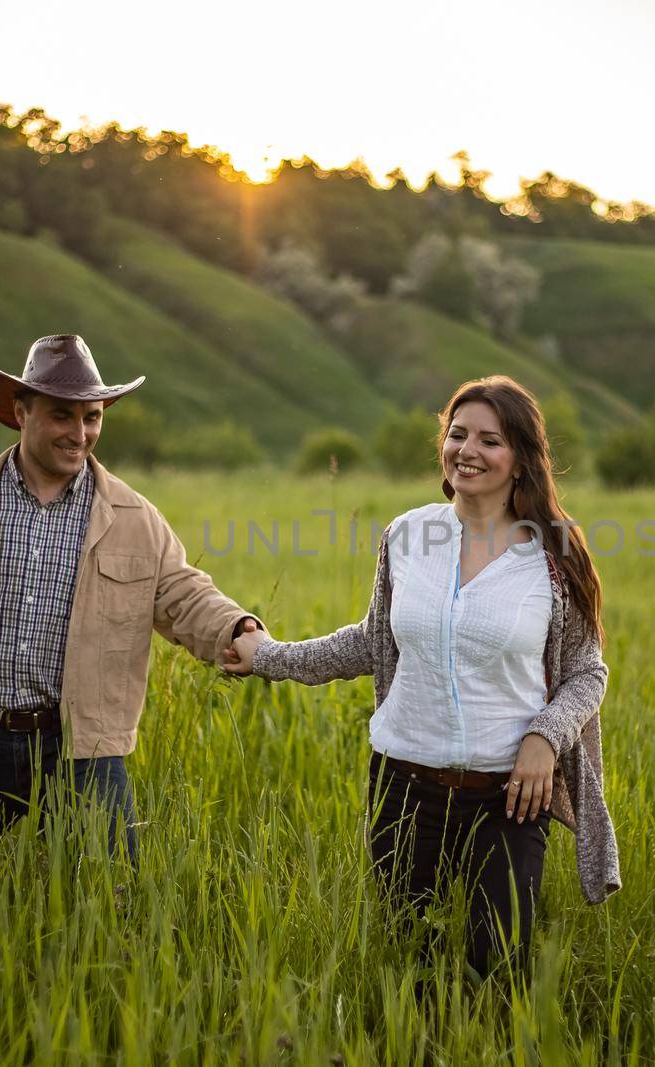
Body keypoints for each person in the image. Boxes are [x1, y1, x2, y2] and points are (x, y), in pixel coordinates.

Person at [222, 375, 619, 977]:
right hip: (403, 785)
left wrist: (545, 737)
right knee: (411, 966)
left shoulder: (554, 554)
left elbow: (586, 674)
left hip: (507, 795)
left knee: (498, 967)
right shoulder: (407, 535)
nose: (469, 451)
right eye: (458, 435)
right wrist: (269, 656)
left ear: (521, 460)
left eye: (490, 440)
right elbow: (371, 642)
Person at [0, 334, 261, 859]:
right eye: (62, 416)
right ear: (21, 413)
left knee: (108, 900)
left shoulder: (136, 519)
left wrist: (234, 628)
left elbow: (183, 592)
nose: (80, 433)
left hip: (80, 745)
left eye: (91, 417)